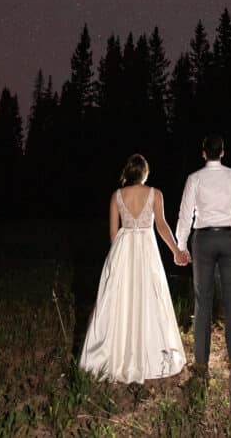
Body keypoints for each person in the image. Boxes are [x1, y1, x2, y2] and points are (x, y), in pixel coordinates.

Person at [79, 154, 189, 383]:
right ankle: (150, 354)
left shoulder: (116, 196)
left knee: (121, 299)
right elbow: (161, 226)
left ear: (128, 173)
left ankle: (116, 354)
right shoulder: (155, 194)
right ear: (145, 173)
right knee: (149, 297)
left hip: (124, 250)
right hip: (147, 251)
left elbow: (113, 233)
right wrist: (176, 251)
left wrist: (117, 260)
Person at [175, 133, 231, 375]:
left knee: (202, 300)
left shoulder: (194, 178)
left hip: (204, 239)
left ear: (203, 153)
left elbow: (185, 214)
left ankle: (201, 361)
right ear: (222, 152)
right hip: (230, 237)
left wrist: (182, 245)